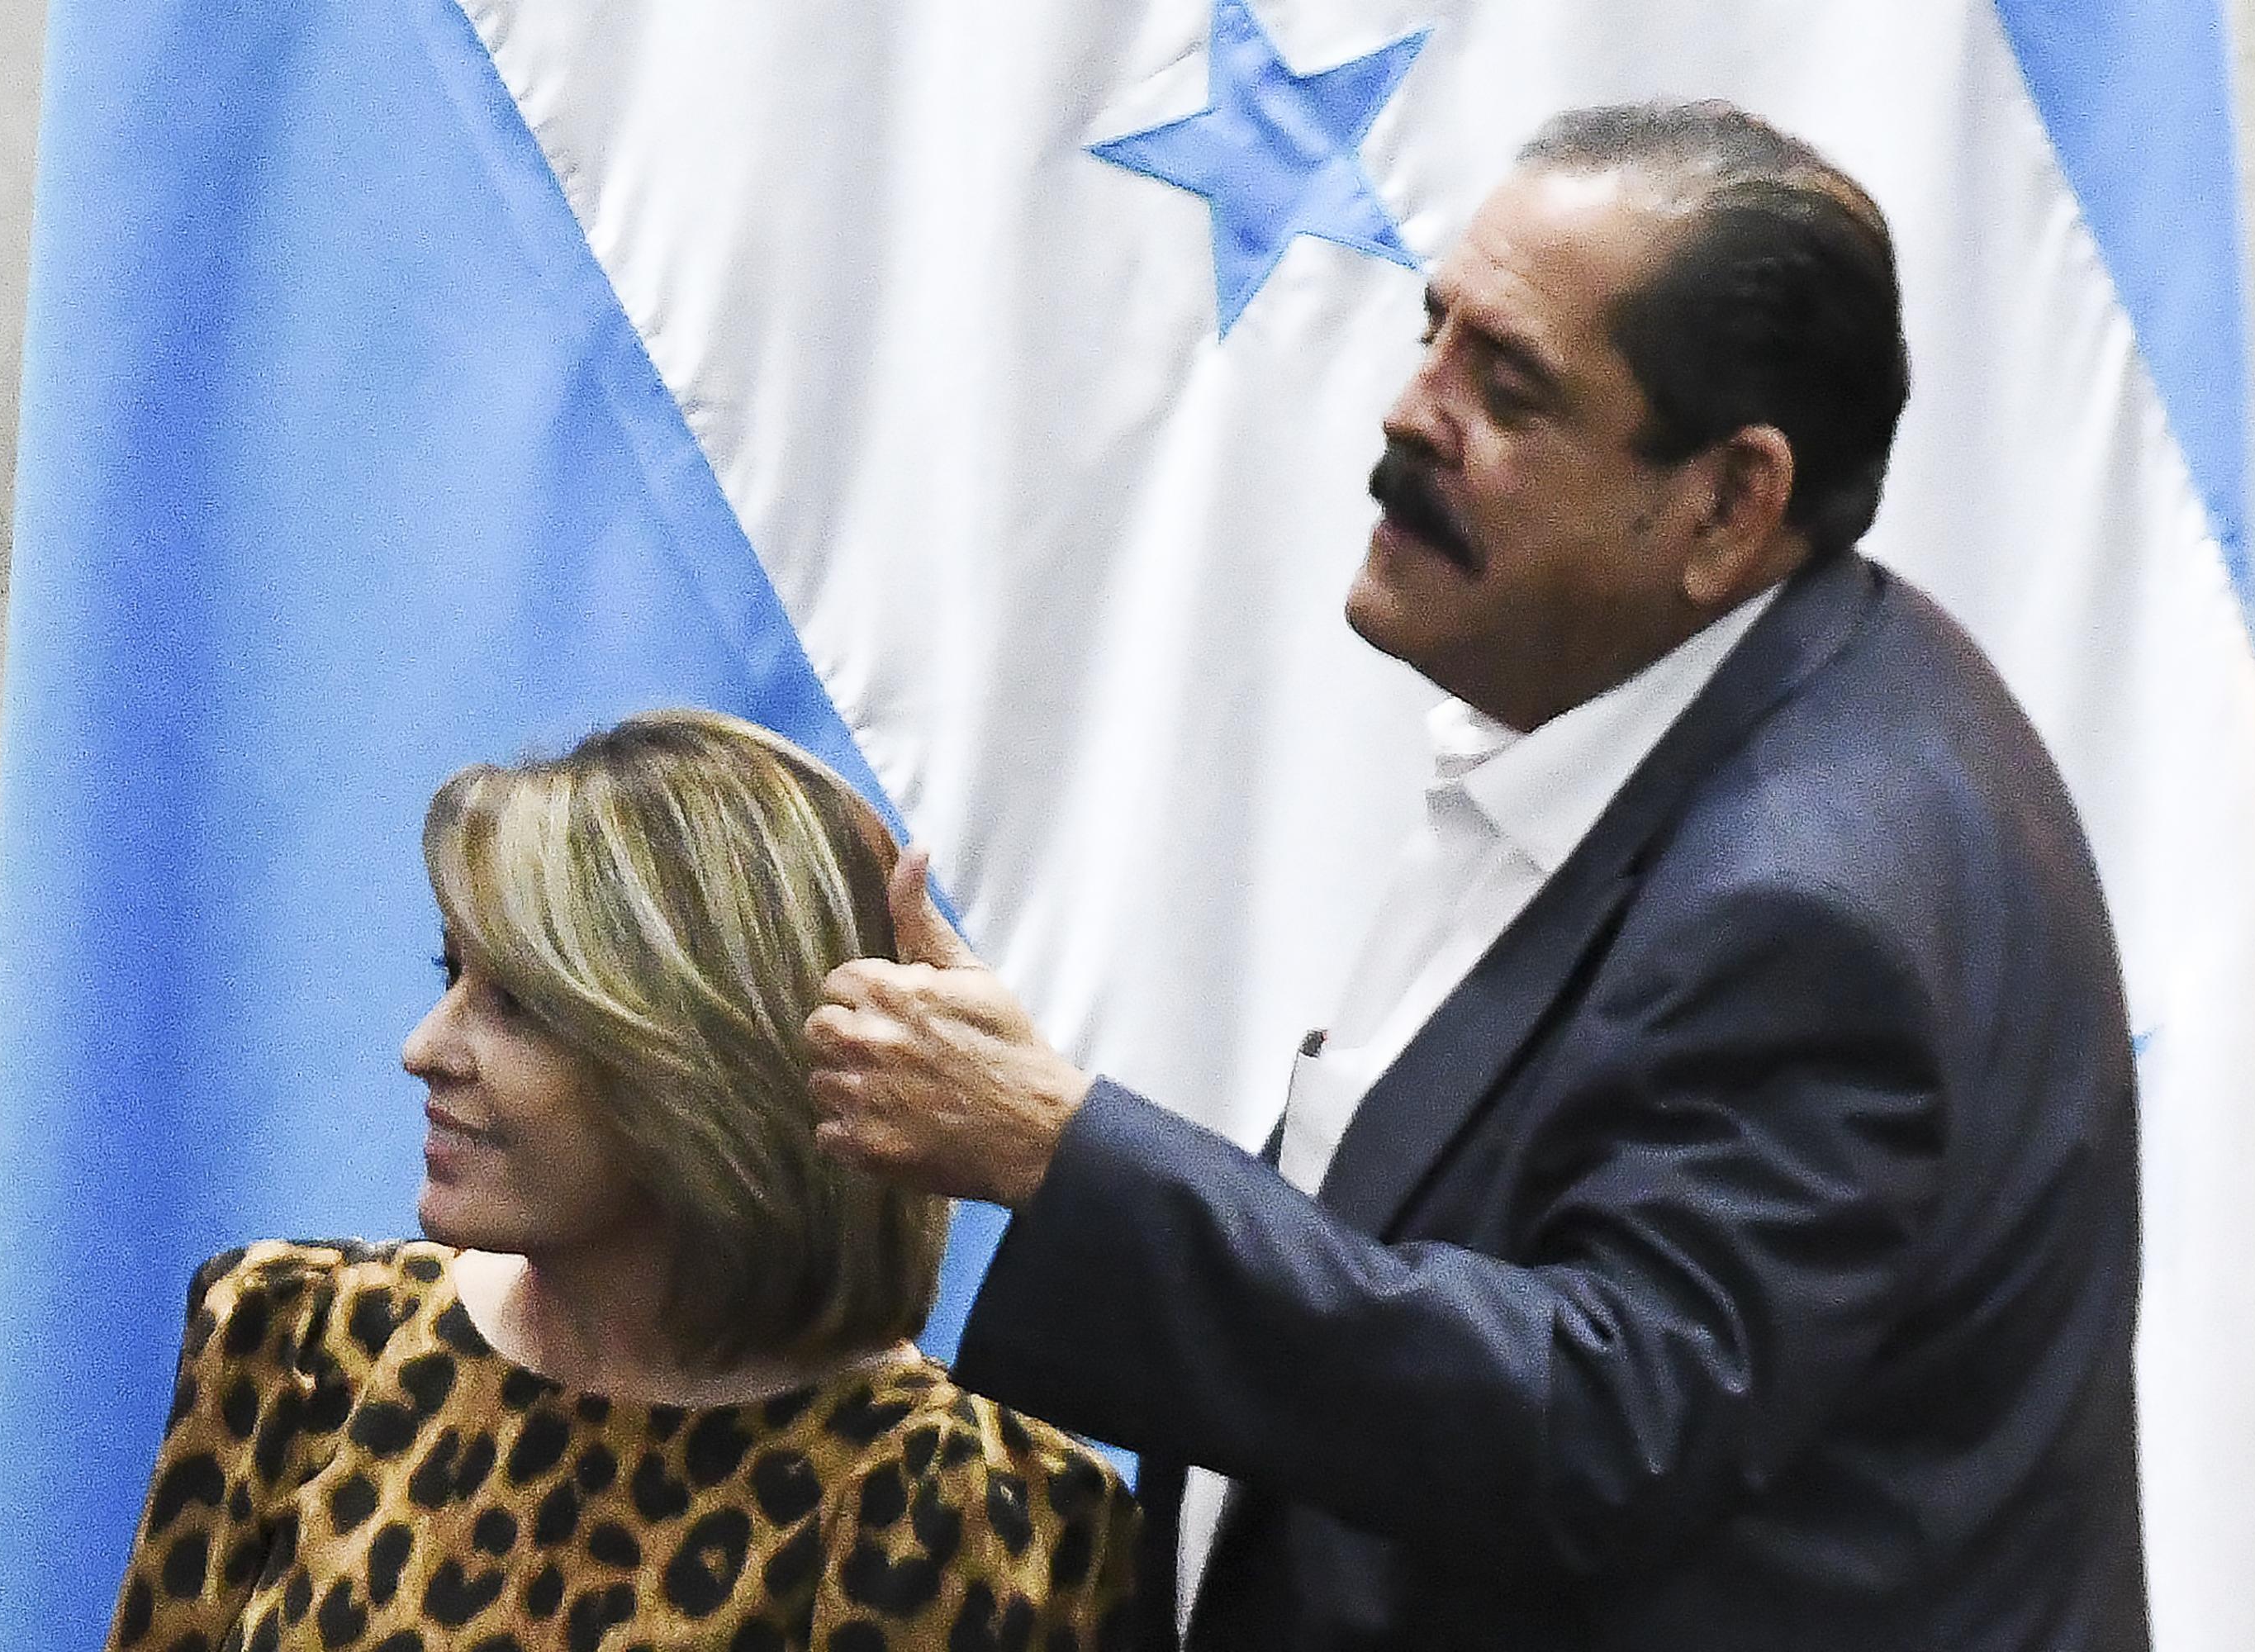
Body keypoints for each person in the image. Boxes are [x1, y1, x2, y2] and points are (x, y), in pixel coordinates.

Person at [801, 102, 2150, 1650]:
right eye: (1431, 333)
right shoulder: (1735, 700)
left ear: (1728, 502)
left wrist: (1063, 1154)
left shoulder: (1811, 897)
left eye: (1505, 389)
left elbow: (1605, 1425)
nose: (1406, 414)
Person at [106, 710, 1138, 1652]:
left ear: (713, 1056)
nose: (424, 1047)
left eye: (520, 1004)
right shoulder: (299, 1341)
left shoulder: (953, 1507)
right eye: (450, 974)